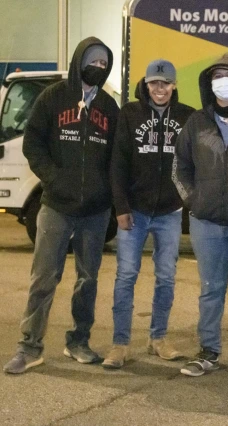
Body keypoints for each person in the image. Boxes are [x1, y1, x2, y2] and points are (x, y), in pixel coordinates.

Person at [3, 37, 119, 374]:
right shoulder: (52, 98)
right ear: (78, 60)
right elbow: (33, 144)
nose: (97, 67)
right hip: (55, 206)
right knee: (44, 277)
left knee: (88, 279)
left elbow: (116, 158)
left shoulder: (109, 108)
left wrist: (106, 195)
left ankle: (78, 342)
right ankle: (29, 347)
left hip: (94, 212)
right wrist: (54, 178)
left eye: (102, 63)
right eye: (92, 61)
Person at [101, 59, 194, 369]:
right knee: (126, 276)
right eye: (154, 82)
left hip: (169, 212)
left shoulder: (186, 116)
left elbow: (195, 162)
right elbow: (118, 163)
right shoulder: (130, 113)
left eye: (165, 83)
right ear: (146, 84)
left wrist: (186, 199)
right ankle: (120, 344)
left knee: (166, 278)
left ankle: (158, 339)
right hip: (135, 212)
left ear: (174, 85)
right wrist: (121, 207)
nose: (159, 88)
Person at [171, 54, 228, 378]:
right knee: (210, 289)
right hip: (206, 223)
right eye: (217, 76)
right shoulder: (197, 122)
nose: (223, 81)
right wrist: (193, 200)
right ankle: (209, 351)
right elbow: (180, 166)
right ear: (209, 83)